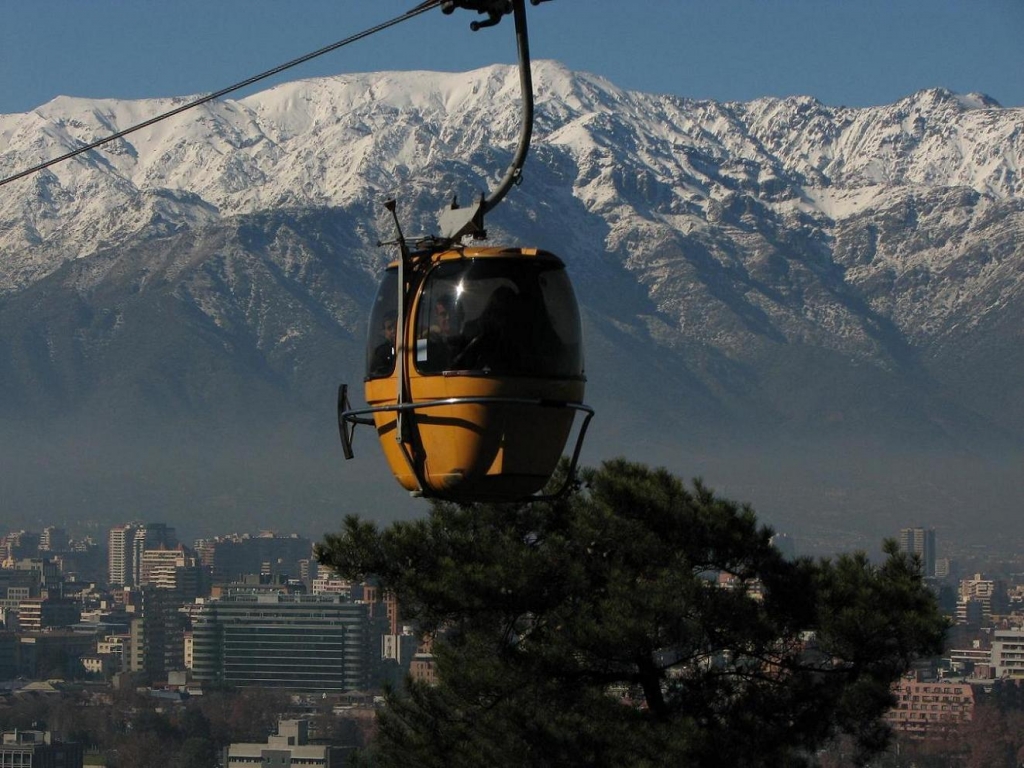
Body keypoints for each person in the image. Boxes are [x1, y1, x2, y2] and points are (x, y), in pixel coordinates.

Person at [369, 310, 397, 376]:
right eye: (389, 328)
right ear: (385, 333)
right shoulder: (382, 352)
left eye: (395, 326)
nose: (393, 331)